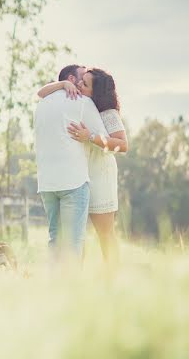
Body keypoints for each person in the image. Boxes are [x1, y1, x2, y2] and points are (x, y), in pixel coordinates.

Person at [38, 67, 128, 267]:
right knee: (78, 236)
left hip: (101, 174)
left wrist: (91, 137)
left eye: (84, 84)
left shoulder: (108, 113)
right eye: (80, 81)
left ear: (96, 92)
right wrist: (64, 84)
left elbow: (122, 145)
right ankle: (80, 281)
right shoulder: (80, 104)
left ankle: (112, 280)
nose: (79, 84)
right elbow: (41, 93)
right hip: (81, 174)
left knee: (105, 234)